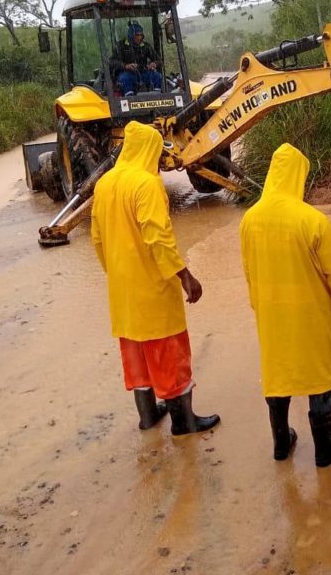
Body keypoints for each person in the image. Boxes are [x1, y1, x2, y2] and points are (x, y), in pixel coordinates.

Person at [90, 121, 220, 436]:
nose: (160, 162)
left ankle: (148, 418)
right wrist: (185, 275)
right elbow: (158, 238)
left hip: (122, 291)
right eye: (158, 154)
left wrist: (117, 274)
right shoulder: (146, 185)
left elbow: (97, 238)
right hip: (152, 290)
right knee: (169, 354)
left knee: (137, 357)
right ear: (148, 150)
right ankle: (183, 423)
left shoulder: (105, 184)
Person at [239, 143, 331, 467]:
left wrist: (258, 306)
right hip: (309, 314)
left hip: (271, 313)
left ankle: (281, 444)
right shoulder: (312, 220)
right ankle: (324, 450)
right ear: (297, 177)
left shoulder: (249, 220)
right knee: (317, 377)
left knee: (277, 373)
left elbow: (249, 269)